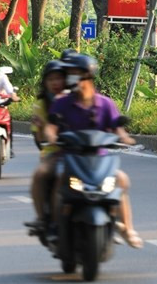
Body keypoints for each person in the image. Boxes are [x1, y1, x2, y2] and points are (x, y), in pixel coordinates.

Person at [42, 53, 143, 249]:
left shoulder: (105, 103)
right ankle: (55, 224)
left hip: (100, 160)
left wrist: (125, 138)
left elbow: (117, 127)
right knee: (59, 179)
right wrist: (52, 136)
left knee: (121, 180)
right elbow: (51, 127)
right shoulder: (62, 103)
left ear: (87, 75)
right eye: (69, 73)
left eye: (75, 73)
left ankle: (127, 228)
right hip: (70, 158)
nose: (71, 77)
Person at [28, 60, 66, 227]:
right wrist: (44, 130)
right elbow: (40, 138)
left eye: (59, 78)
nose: (55, 83)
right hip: (54, 151)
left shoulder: (74, 98)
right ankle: (42, 217)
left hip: (80, 150)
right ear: (45, 82)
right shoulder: (41, 105)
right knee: (40, 175)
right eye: (51, 79)